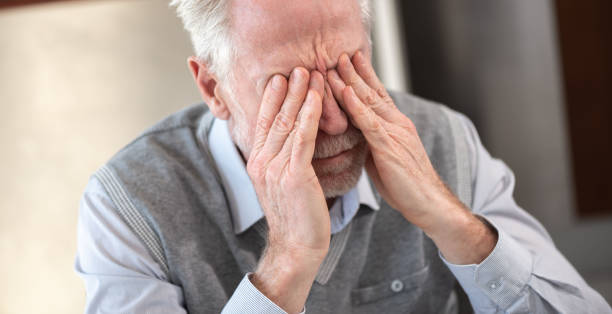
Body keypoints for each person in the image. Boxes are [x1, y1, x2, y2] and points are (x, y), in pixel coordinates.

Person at [74, 0, 612, 313]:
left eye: (350, 70)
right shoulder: (130, 205)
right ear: (213, 87)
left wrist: (452, 224)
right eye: (289, 90)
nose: (333, 121)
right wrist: (287, 262)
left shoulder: (441, 138)